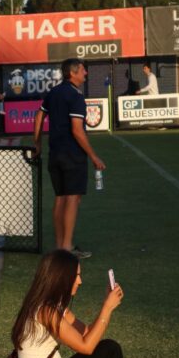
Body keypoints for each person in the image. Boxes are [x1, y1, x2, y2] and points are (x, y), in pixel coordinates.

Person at [34, 58, 105, 259]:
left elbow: (39, 116)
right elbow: (77, 130)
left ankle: (60, 246)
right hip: (72, 155)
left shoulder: (54, 92)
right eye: (83, 70)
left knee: (60, 198)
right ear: (72, 73)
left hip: (55, 153)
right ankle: (66, 248)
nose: (86, 73)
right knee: (73, 198)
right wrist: (93, 156)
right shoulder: (75, 96)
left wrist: (37, 143)